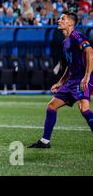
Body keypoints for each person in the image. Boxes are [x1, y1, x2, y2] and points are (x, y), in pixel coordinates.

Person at [28, 11, 93, 148]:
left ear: (71, 22)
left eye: (62, 19)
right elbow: (70, 66)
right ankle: (45, 141)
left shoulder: (77, 35)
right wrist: (60, 82)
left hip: (82, 78)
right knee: (52, 106)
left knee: (84, 108)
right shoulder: (65, 42)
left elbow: (90, 52)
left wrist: (87, 76)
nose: (58, 20)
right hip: (72, 79)